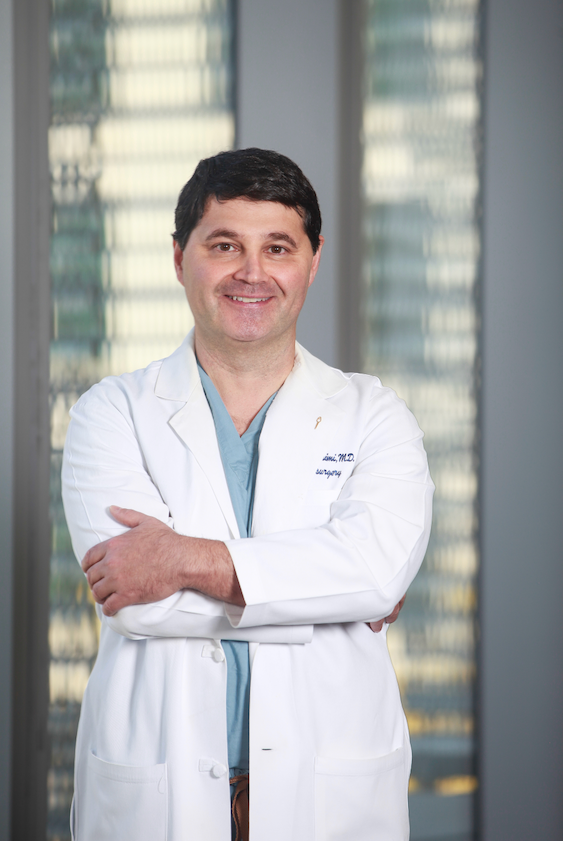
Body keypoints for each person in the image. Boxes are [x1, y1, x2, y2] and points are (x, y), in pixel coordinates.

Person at [62, 148, 434, 841]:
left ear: (314, 260)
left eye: (278, 248)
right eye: (224, 245)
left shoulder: (374, 415)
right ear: (180, 259)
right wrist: (330, 596)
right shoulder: (109, 413)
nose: (252, 273)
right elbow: (141, 609)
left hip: (331, 795)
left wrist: (180, 559)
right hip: (158, 790)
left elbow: (376, 573)